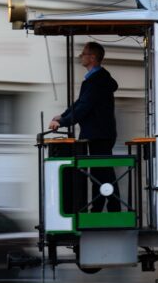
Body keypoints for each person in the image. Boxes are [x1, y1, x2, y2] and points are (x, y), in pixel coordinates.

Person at [49, 41, 120, 212]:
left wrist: (62, 122)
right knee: (99, 173)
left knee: (102, 173)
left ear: (93, 57)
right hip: (99, 133)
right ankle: (101, 208)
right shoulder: (95, 80)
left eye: (84, 53)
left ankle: (112, 209)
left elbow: (84, 107)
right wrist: (64, 116)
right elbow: (80, 103)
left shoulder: (97, 81)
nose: (80, 56)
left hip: (99, 134)